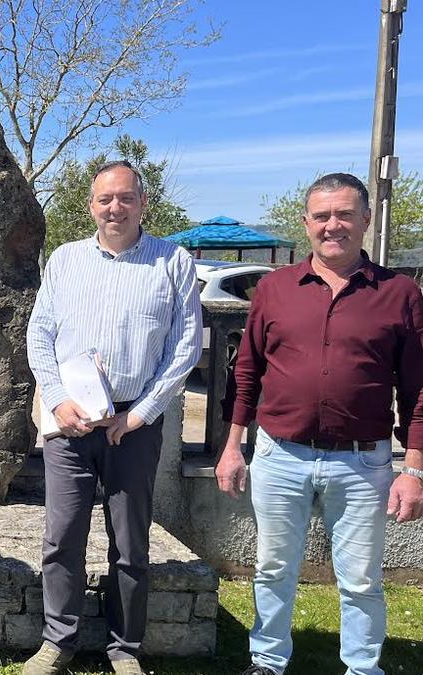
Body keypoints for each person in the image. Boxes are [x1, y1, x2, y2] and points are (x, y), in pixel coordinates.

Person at [216, 173, 423, 675]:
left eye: (345, 215)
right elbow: (248, 370)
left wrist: (413, 469)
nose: (334, 226)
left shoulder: (399, 294)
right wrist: (231, 446)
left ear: (366, 220)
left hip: (362, 461)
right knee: (272, 569)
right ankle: (267, 661)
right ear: (307, 223)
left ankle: (362, 667)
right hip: (279, 456)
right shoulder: (274, 289)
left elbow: (418, 389)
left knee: (360, 579)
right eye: (322, 216)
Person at [24, 160, 202, 675]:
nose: (115, 208)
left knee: (131, 541)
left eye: (125, 198)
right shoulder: (65, 260)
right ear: (91, 206)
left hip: (134, 427)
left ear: (143, 203)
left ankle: (126, 649)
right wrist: (57, 400)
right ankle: (59, 640)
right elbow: (40, 336)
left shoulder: (173, 262)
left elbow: (185, 347)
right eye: (105, 200)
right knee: (62, 538)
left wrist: (141, 414)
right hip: (69, 424)